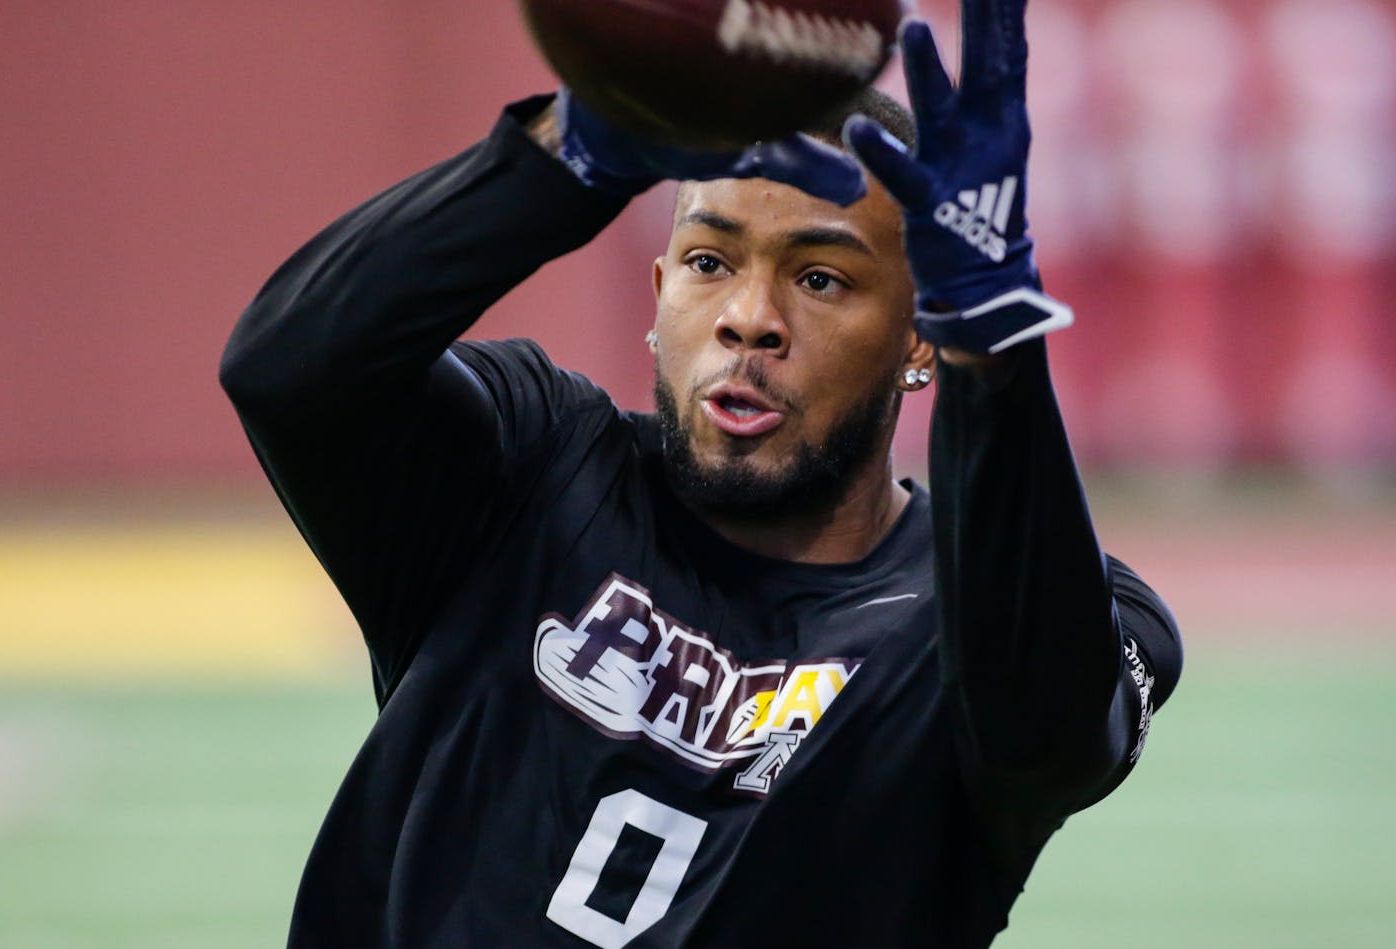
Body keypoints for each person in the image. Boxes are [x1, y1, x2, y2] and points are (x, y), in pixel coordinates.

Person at [220, 3, 1181, 946]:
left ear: (918, 337)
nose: (748, 317)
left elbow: (1044, 735)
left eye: (820, 278)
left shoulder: (1002, 616)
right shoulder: (531, 462)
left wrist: (994, 347)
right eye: (710, 261)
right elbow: (289, 370)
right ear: (659, 291)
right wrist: (566, 160)